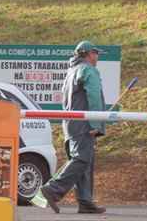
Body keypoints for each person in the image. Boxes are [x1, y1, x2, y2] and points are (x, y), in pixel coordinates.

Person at [39, 41, 107, 214]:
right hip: (84, 122)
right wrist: (96, 122)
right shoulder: (88, 70)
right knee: (82, 159)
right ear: (88, 54)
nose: (97, 56)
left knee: (85, 161)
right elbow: (93, 96)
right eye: (95, 53)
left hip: (70, 122)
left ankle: (85, 201)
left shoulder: (71, 72)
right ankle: (52, 190)